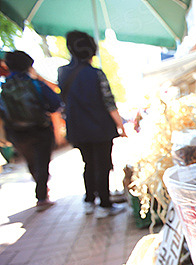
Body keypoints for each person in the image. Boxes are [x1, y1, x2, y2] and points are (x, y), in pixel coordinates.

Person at [58, 30, 126, 218]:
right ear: (91, 51)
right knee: (103, 165)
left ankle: (89, 200)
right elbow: (109, 102)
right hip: (100, 128)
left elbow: (63, 101)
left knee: (88, 164)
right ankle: (104, 204)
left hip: (77, 129)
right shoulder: (96, 74)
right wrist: (121, 126)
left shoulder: (63, 73)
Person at [0, 51, 62, 211]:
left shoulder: (4, 88)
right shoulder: (36, 84)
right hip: (40, 129)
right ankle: (42, 195)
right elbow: (55, 104)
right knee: (42, 161)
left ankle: (41, 191)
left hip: (16, 133)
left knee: (32, 161)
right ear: (29, 65)